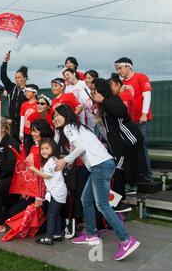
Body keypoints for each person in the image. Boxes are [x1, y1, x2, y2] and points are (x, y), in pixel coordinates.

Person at [53, 104, 140, 261]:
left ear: (66, 115)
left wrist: (65, 160)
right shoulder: (80, 127)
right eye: (54, 116)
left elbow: (80, 147)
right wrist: (71, 160)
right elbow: (85, 148)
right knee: (86, 199)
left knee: (102, 205)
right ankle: (91, 234)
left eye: (57, 115)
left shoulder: (68, 128)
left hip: (99, 166)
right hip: (102, 164)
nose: (55, 118)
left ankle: (126, 240)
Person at [91, 78, 146, 211]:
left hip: (128, 141)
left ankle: (123, 202)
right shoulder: (101, 105)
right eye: (91, 89)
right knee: (116, 170)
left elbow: (121, 111)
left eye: (95, 89)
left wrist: (103, 100)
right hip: (117, 143)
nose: (92, 92)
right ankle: (121, 201)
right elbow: (105, 128)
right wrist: (105, 142)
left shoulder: (113, 100)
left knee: (116, 170)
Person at [114, 57, 153, 182]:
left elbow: (147, 95)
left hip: (140, 119)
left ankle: (147, 175)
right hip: (128, 121)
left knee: (141, 146)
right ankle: (135, 175)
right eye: (117, 69)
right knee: (131, 148)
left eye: (120, 68)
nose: (119, 71)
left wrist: (144, 113)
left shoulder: (141, 77)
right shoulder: (122, 84)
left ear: (128, 66)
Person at [28, 138, 67, 245]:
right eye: (42, 149)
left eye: (47, 148)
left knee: (50, 214)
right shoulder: (53, 159)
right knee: (56, 214)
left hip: (56, 191)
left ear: (53, 149)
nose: (44, 151)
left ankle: (49, 238)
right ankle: (57, 234)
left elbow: (47, 176)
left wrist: (34, 170)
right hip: (59, 191)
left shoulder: (51, 161)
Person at [0, 52, 28, 142]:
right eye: (15, 77)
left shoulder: (29, 90)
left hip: (24, 123)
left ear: (24, 78)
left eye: (19, 77)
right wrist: (5, 62)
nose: (17, 79)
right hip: (12, 123)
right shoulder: (12, 88)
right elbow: (3, 77)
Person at [19, 84, 39, 154]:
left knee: (37, 149)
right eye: (25, 92)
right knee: (27, 151)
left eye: (28, 91)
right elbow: (22, 119)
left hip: (36, 132)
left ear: (35, 93)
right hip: (26, 133)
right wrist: (21, 133)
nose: (26, 93)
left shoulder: (39, 104)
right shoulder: (24, 104)